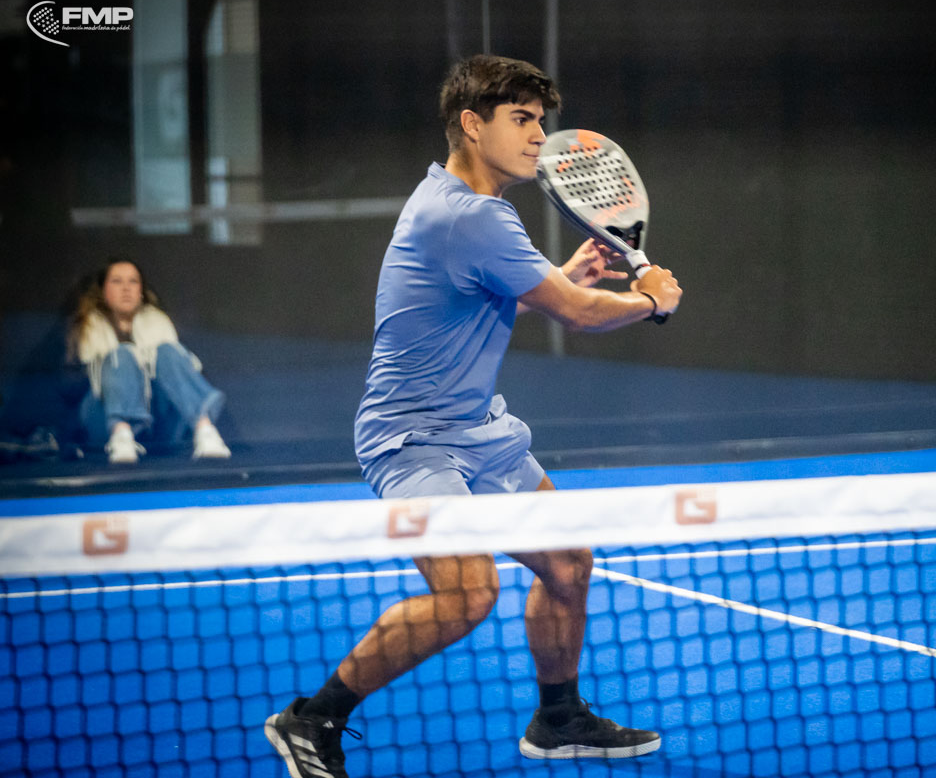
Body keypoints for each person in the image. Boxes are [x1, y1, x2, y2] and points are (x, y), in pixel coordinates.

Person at [264, 55, 682, 777]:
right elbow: (579, 315)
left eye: (540, 120)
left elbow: (491, 301)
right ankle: (312, 718)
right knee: (465, 594)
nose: (539, 137)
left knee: (567, 563)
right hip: (413, 441)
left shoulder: (456, 199)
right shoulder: (470, 216)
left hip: (478, 431)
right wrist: (652, 299)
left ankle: (558, 719)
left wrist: (560, 279)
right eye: (521, 119)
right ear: (471, 124)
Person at [67, 257, 231, 464]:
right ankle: (121, 436)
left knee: (168, 351)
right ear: (103, 291)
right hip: (103, 418)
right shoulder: (88, 328)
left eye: (133, 281)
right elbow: (72, 390)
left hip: (158, 421)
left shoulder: (158, 323)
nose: (126, 288)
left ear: (141, 291)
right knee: (122, 355)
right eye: (117, 281)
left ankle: (205, 431)